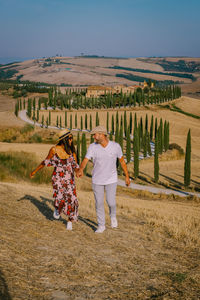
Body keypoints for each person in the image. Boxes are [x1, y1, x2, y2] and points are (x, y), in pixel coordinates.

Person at [77, 125, 130, 233]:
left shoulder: (115, 146)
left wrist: (127, 176)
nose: (93, 137)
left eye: (95, 135)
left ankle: (113, 215)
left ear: (101, 135)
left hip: (111, 179)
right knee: (99, 203)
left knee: (111, 202)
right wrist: (81, 169)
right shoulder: (92, 147)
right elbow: (86, 159)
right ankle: (101, 225)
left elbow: (122, 162)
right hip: (97, 180)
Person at [30, 130, 79, 231]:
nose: (71, 140)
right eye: (69, 138)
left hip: (69, 180)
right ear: (64, 139)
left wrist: (79, 171)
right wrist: (34, 171)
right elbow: (45, 161)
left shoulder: (72, 151)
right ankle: (58, 208)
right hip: (58, 179)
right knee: (60, 197)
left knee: (71, 199)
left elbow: (76, 166)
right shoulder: (54, 150)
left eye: (71, 138)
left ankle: (70, 221)